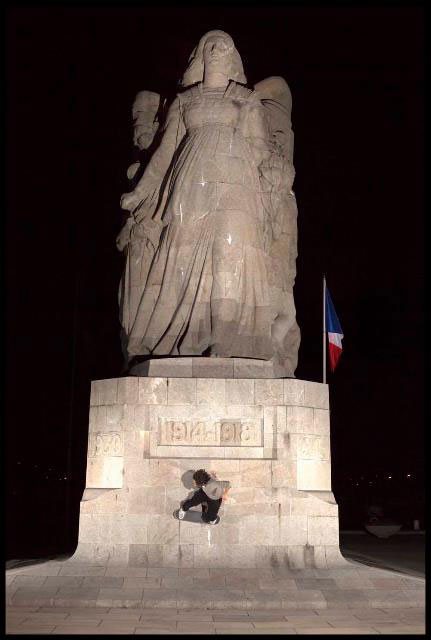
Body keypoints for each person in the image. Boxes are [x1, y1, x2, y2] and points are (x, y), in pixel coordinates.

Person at [118, 30, 275, 361]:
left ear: (232, 56)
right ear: (200, 55)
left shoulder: (245, 98)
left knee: (229, 254)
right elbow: (164, 154)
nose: (217, 50)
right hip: (191, 184)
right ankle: (178, 334)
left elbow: (260, 148)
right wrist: (141, 192)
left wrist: (239, 155)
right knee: (181, 256)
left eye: (224, 46)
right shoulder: (185, 101)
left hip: (236, 186)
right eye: (210, 45)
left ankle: (226, 338)